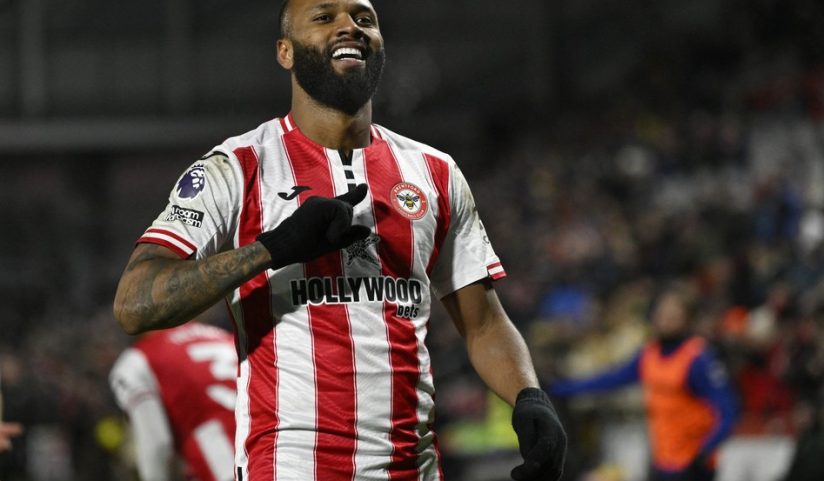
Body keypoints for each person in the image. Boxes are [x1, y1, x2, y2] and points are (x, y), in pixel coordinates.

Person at [112, 0, 567, 480]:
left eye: (364, 18)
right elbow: (135, 302)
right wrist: (272, 249)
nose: (350, 26)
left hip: (415, 470)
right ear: (285, 52)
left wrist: (529, 397)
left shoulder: (434, 172)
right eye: (325, 17)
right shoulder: (235, 168)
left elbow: (483, 324)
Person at [549, 286, 738, 481]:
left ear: (687, 320)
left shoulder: (698, 359)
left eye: (673, 316)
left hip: (694, 463)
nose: (664, 320)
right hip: (664, 461)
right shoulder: (650, 354)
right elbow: (610, 379)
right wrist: (560, 388)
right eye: (661, 313)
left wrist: (706, 450)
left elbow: (727, 410)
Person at [109, 321, 237, 481]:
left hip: (226, 468)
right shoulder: (221, 335)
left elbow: (157, 445)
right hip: (270, 454)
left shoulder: (137, 359)